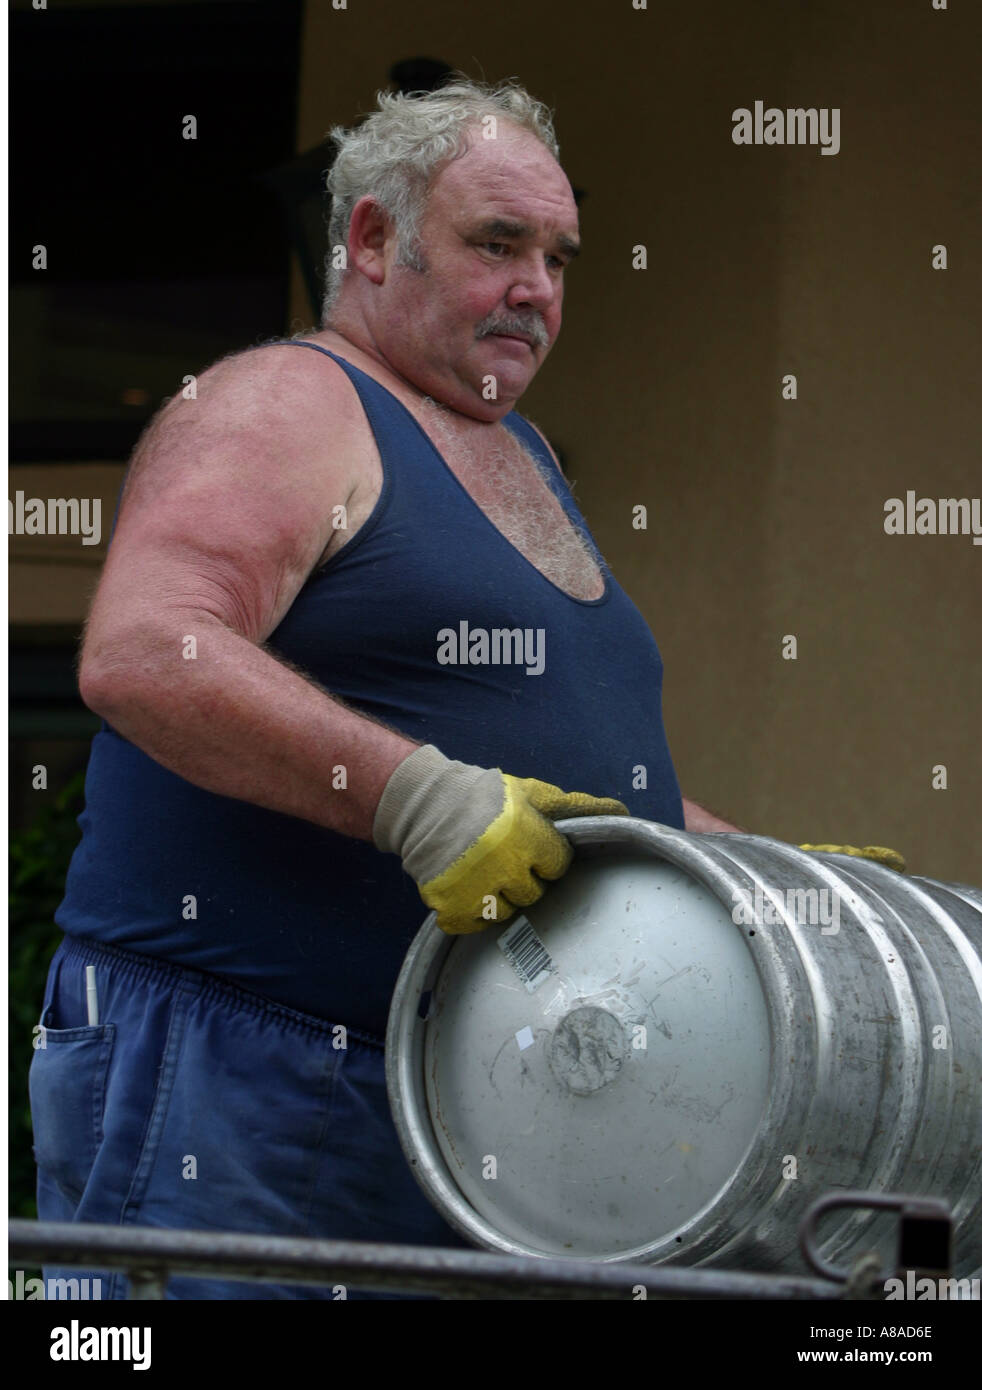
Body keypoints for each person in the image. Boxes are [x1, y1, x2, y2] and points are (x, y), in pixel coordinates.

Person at [29, 76, 741, 1301]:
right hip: (239, 1070)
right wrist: (418, 799)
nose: (538, 289)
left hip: (447, 1100)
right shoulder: (283, 400)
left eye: (559, 258)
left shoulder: (512, 448)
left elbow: (544, 782)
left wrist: (757, 870)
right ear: (369, 240)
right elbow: (146, 651)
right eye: (497, 244)